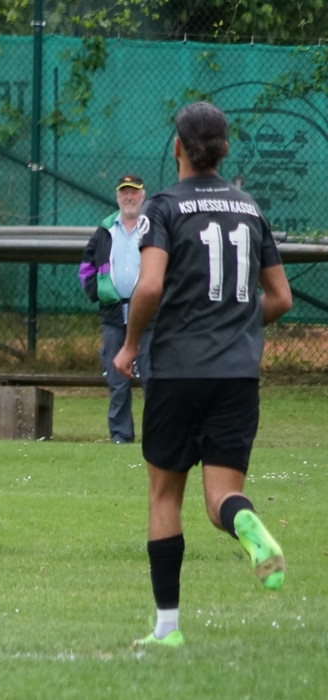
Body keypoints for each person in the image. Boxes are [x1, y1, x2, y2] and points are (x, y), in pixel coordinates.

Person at [113, 101, 292, 647]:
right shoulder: (250, 208)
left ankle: (167, 628)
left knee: (165, 495)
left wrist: (130, 345)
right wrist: (236, 326)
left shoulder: (164, 207)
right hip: (238, 374)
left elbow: (149, 286)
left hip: (178, 369)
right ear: (224, 150)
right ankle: (244, 522)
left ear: (177, 148)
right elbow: (280, 297)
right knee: (221, 499)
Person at [79, 174, 152, 444]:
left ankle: (156, 434)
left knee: (152, 377)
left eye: (134, 192)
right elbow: (86, 267)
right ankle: (120, 435)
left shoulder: (154, 227)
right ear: (118, 196)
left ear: (143, 195)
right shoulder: (105, 230)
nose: (129, 197)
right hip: (113, 316)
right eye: (124, 192)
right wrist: (97, 292)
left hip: (150, 317)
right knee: (117, 380)